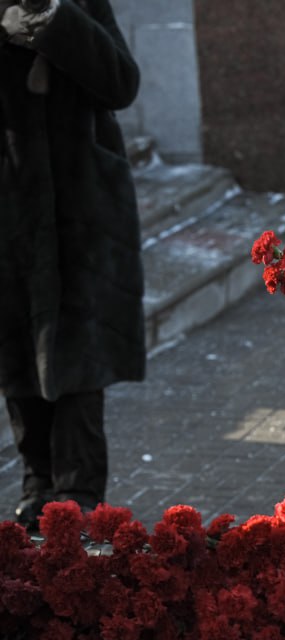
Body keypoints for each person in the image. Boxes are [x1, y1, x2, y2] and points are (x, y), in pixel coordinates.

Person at [0, 0, 144, 530]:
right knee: (17, 349)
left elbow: (121, 83)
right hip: (12, 209)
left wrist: (53, 22)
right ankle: (36, 484)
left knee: (79, 357)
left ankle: (79, 494)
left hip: (81, 211)